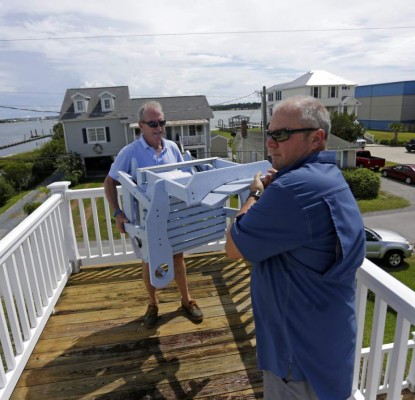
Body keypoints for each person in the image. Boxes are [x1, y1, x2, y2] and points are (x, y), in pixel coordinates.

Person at [225, 96, 365, 400]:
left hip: (296, 354)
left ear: (316, 138)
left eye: (282, 135)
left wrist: (255, 195)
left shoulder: (292, 190)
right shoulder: (329, 178)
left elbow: (233, 247)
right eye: (269, 133)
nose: (270, 143)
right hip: (327, 342)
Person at [104, 100, 204, 328]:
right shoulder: (129, 153)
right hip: (144, 221)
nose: (159, 127)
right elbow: (109, 182)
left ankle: (186, 301)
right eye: (153, 123)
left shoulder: (172, 148)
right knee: (150, 262)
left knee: (178, 258)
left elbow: (184, 177)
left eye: (162, 122)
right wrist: (118, 213)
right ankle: (153, 303)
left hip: (173, 217)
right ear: (141, 125)